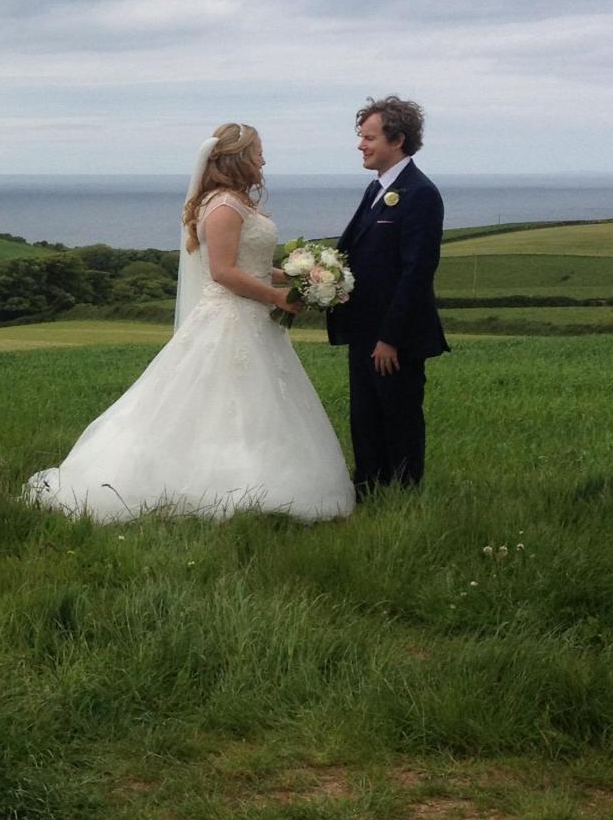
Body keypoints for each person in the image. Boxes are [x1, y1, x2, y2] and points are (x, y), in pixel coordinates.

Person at [26, 122, 355, 523]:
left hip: (252, 319)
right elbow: (223, 272)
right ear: (237, 158)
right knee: (219, 403)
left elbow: (251, 264)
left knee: (256, 406)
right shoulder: (223, 207)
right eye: (258, 153)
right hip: (231, 318)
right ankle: (212, 486)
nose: (264, 160)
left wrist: (302, 277)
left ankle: (260, 481)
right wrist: (275, 297)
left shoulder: (237, 203)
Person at [326, 95, 449, 499]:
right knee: (365, 418)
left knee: (399, 418)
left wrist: (390, 338)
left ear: (397, 140)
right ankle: (367, 491)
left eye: (369, 137)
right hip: (364, 332)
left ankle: (403, 497)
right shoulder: (377, 189)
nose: (361, 144)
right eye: (362, 136)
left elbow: (417, 272)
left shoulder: (420, 193)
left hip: (394, 339)